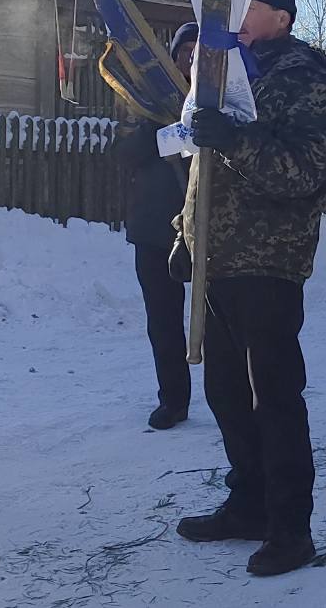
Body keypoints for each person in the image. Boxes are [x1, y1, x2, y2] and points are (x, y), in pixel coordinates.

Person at [171, 0, 326, 577]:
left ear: (283, 18)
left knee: (272, 396)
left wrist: (236, 140)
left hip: (269, 260)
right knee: (223, 391)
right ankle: (248, 504)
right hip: (216, 260)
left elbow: (302, 173)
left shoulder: (305, 84)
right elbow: (203, 168)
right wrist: (184, 234)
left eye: (252, 6)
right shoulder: (223, 75)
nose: (238, 15)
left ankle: (291, 529)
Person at [115, 23, 198, 430]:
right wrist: (162, 132)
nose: (192, 59)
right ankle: (174, 399)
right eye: (185, 51)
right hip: (155, 226)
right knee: (163, 320)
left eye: (200, 53)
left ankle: (234, 395)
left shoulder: (225, 101)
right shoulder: (145, 101)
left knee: (224, 319)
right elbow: (124, 153)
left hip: (210, 226)